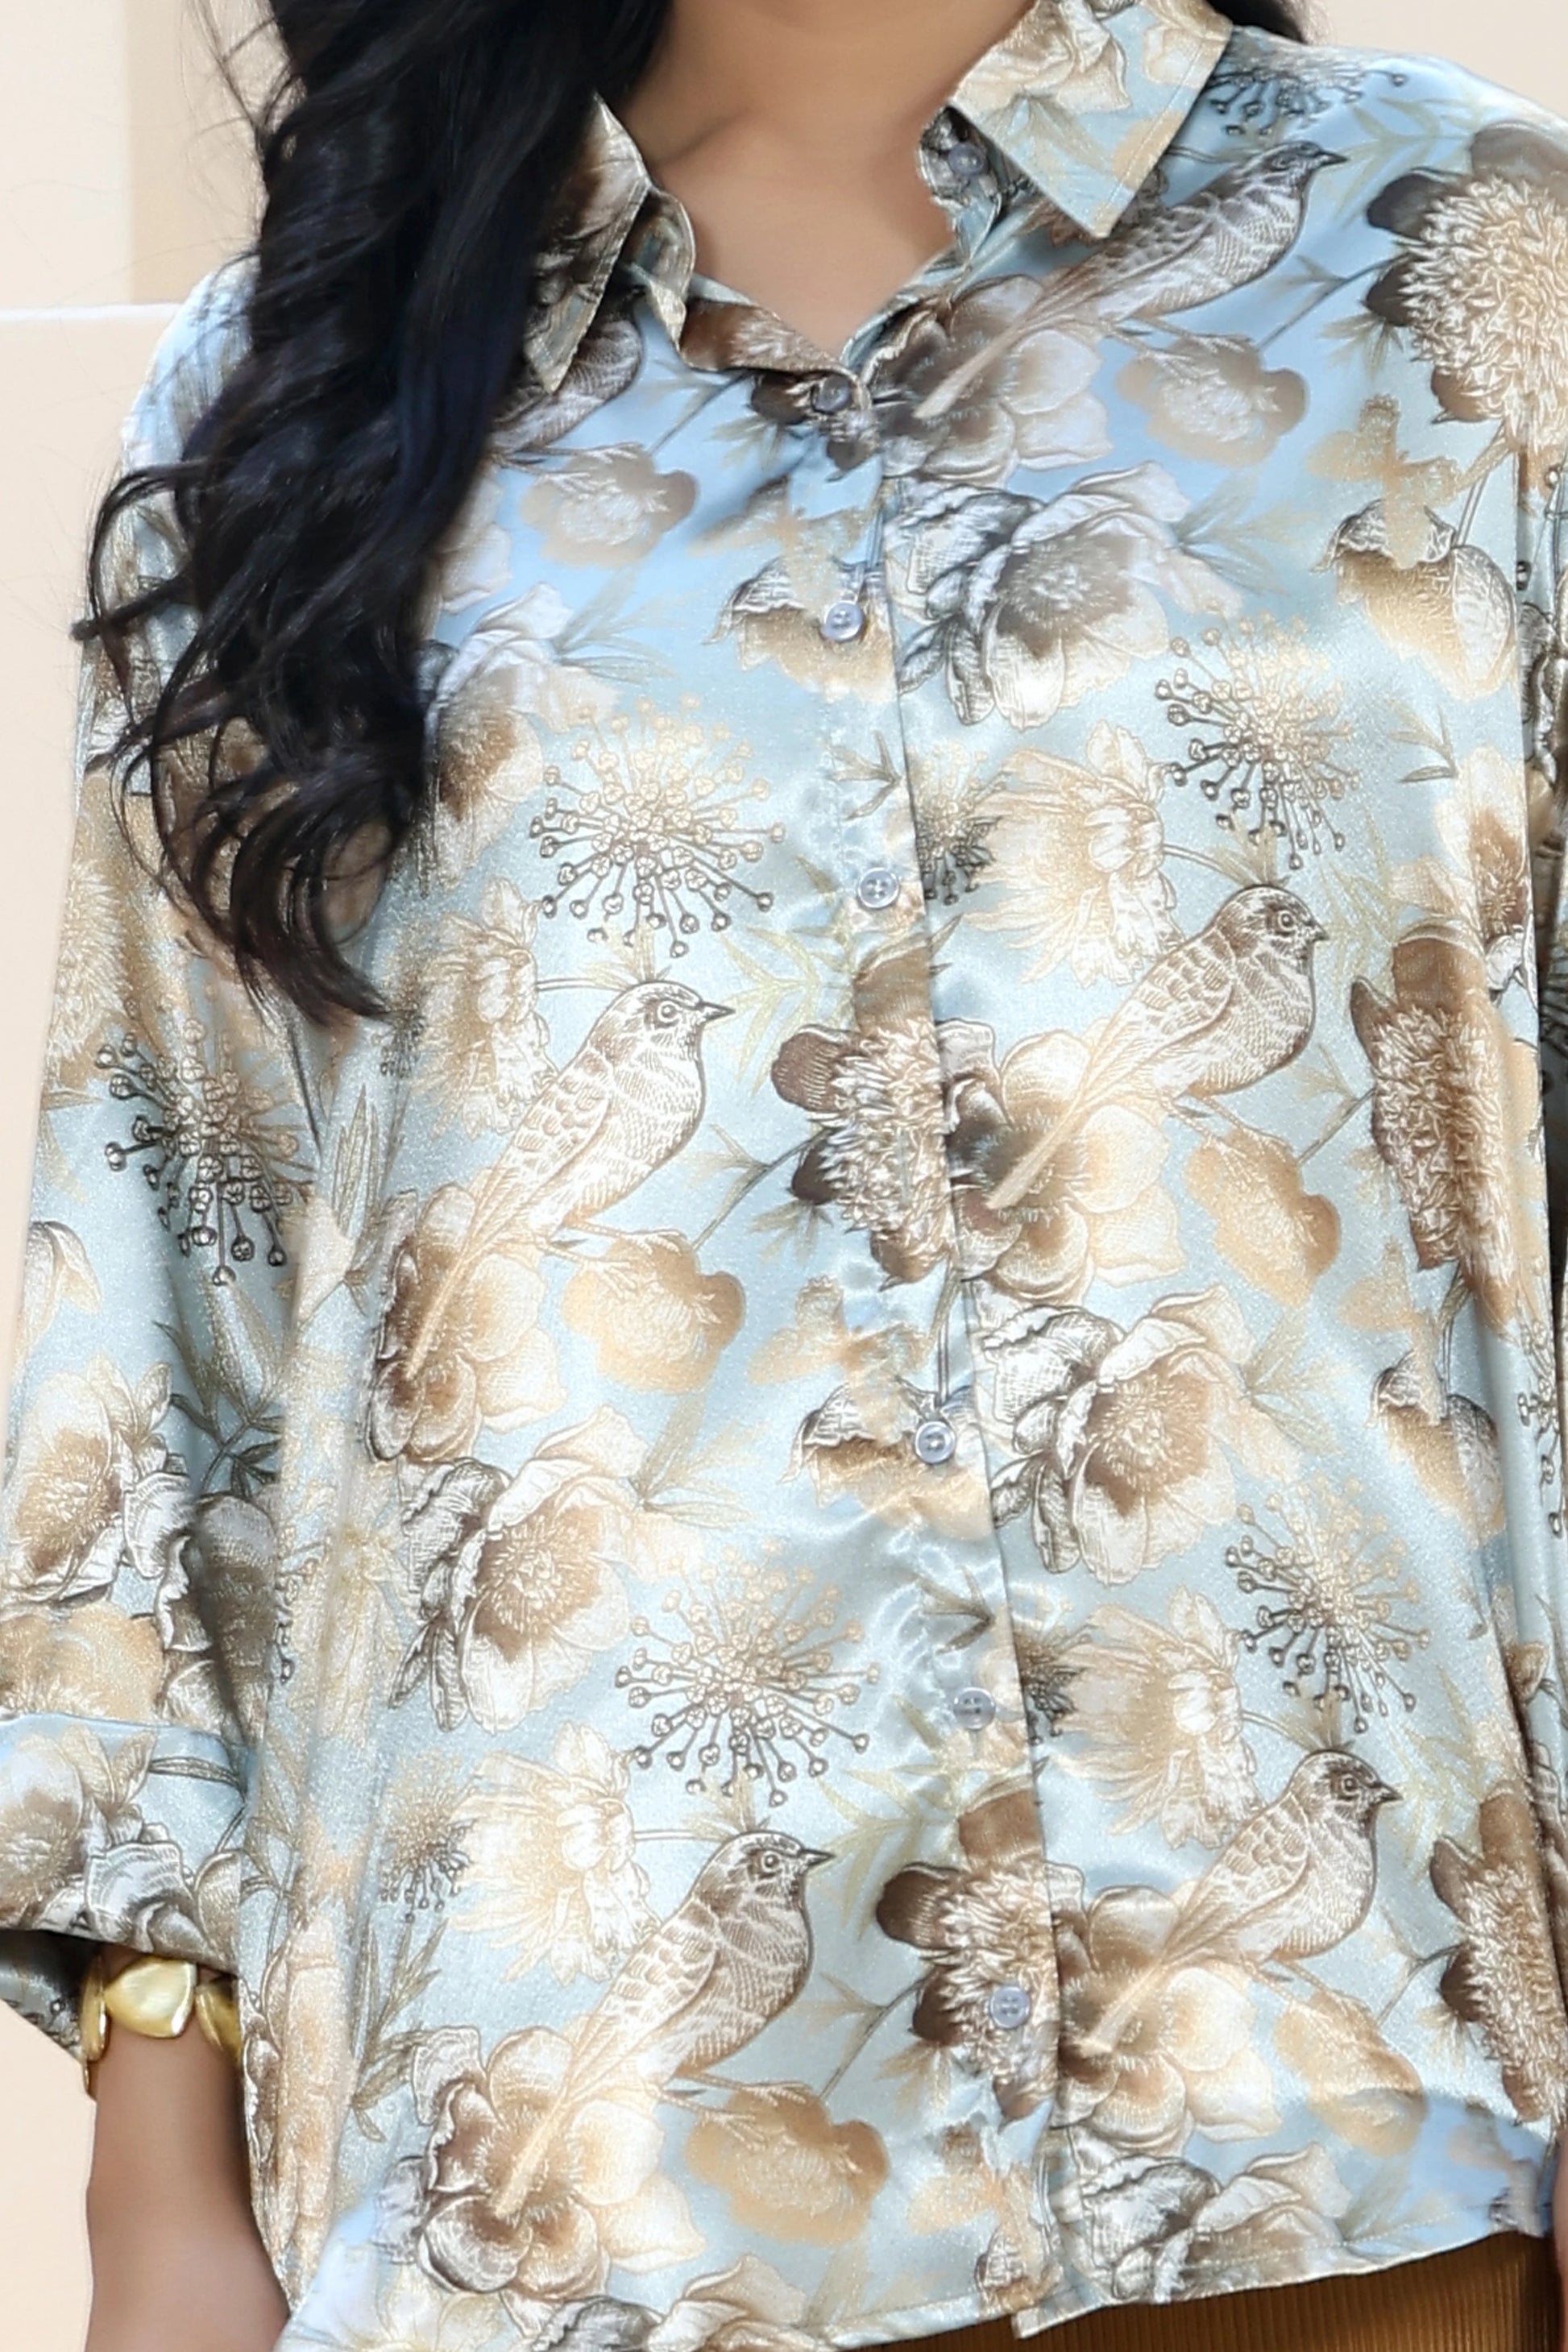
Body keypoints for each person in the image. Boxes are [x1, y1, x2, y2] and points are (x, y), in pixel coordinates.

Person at [4, 0, 1568, 2345]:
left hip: (1351, 2122)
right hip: (555, 2177)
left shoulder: (1466, 263)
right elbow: (165, 1267)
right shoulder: (307, 372)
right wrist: (159, 2188)